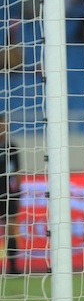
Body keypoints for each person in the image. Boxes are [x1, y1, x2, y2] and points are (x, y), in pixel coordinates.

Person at [0, 114, 22, 274]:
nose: (3, 129)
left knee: (12, 229)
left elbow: (17, 172)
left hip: (8, 193)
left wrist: (18, 193)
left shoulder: (12, 147)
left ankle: (13, 268)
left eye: (4, 125)